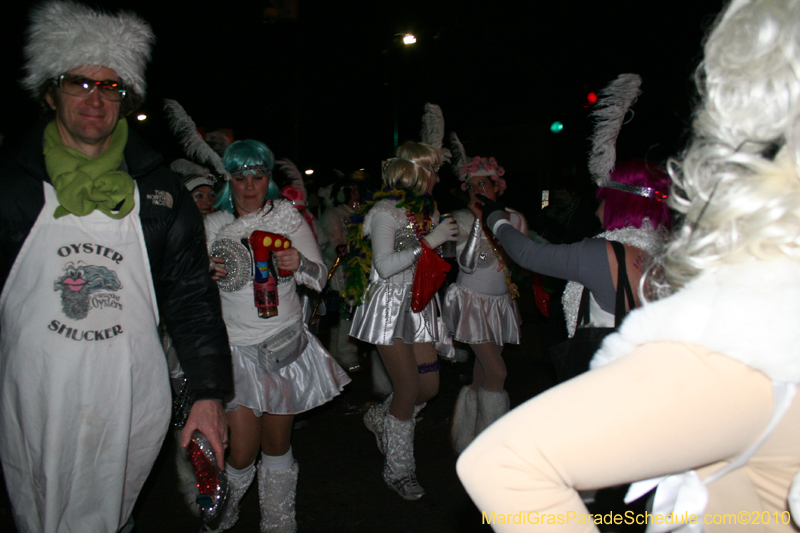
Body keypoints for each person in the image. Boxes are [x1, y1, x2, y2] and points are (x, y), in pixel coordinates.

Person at [457, 1, 800, 531]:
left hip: (614, 385)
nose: (595, 206)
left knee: (588, 490)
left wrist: (498, 217)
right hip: (670, 414)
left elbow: (531, 259)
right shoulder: (667, 252)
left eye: (603, 198)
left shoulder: (604, 251)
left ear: (616, 203)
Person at [0, 2, 232, 532]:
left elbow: (192, 300)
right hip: (32, 398)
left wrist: (209, 395)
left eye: (111, 87)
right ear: (50, 91)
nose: (94, 98)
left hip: (127, 403)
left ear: (126, 102)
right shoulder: (10, 186)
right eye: (79, 82)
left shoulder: (160, 194)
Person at [205, 139, 350, 532]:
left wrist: (300, 262)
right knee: (241, 451)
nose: (249, 186)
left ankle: (279, 520)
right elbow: (189, 287)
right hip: (235, 349)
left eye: (258, 176)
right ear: (228, 180)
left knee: (277, 445)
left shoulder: (286, 216)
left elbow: (321, 278)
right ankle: (223, 511)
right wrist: (207, 273)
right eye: (240, 177)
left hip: (282, 346)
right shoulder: (215, 225)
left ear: (268, 178)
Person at [348, 141, 458, 500]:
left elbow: (429, 260)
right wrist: (430, 242)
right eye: (432, 171)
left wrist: (441, 245)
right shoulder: (384, 212)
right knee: (408, 388)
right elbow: (384, 265)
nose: (438, 178)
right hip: (388, 309)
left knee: (429, 389)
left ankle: (383, 418)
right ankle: (399, 470)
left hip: (418, 306)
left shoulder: (425, 210)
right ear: (415, 173)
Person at [442, 136, 527, 454]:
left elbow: (522, 259)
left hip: (500, 303)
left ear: (497, 186)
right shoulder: (458, 220)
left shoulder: (515, 219)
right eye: (473, 184)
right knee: (498, 371)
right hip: (471, 303)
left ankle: (467, 435)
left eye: (485, 183)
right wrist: (480, 223)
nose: (479, 189)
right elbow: (463, 262)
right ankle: (491, 448)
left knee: (482, 373)